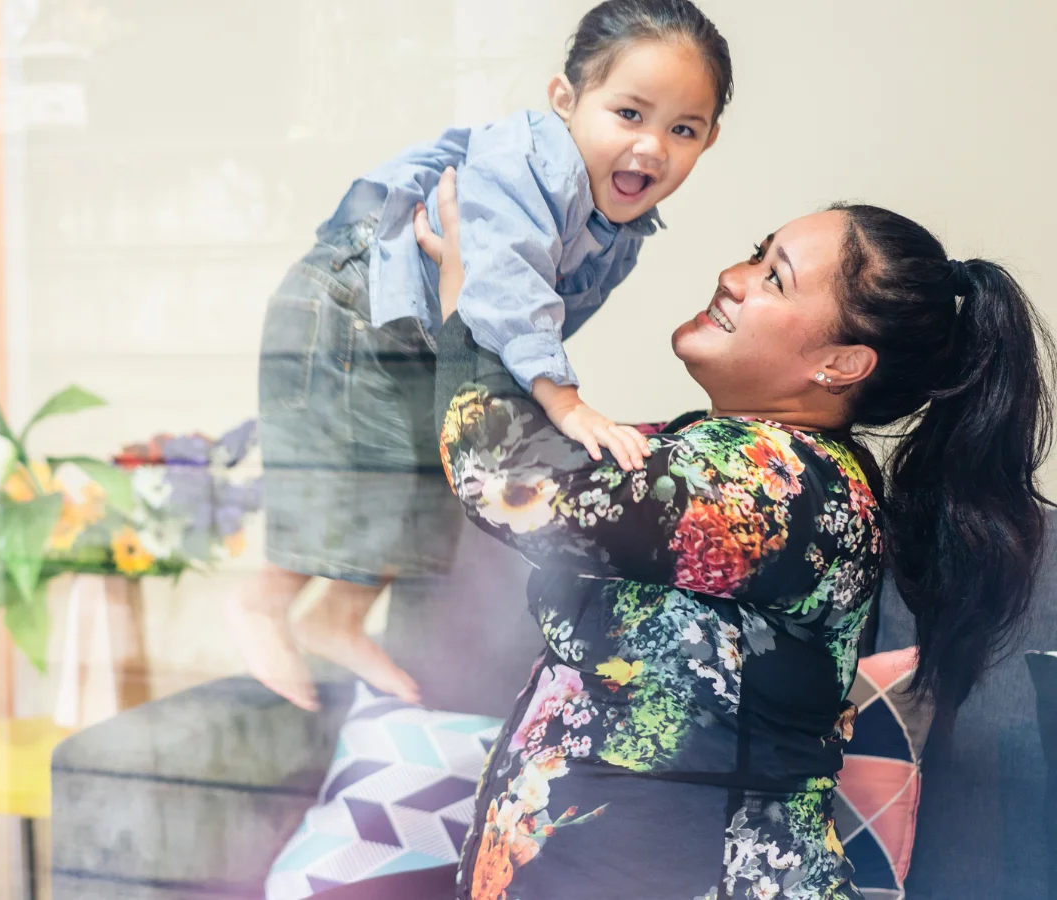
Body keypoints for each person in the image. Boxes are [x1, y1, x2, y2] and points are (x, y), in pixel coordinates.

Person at [348, 169, 1051, 899]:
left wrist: (479, 295)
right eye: (756, 253)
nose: (734, 277)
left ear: (840, 365)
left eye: (774, 279)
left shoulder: (785, 487)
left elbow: (513, 482)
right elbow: (541, 443)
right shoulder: (707, 451)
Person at [233, 0, 732, 712]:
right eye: (629, 114)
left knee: (423, 482)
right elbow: (501, 284)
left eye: (682, 129)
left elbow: (537, 314)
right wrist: (561, 398)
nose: (652, 147)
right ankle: (263, 602)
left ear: (709, 140)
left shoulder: (619, 221)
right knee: (356, 473)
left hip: (415, 332)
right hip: (351, 305)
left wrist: (532, 386)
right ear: (566, 100)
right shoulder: (529, 166)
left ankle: (334, 616)